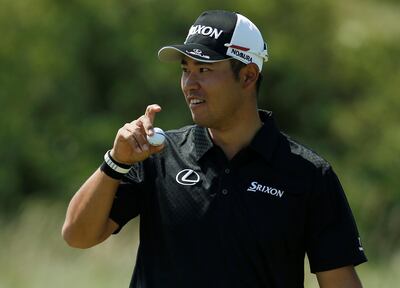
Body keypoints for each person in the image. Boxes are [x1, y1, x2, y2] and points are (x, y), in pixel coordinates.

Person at [62, 10, 367, 288]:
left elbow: (339, 281)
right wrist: (115, 163)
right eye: (186, 69)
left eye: (204, 70)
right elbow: (77, 235)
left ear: (248, 75)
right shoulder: (159, 155)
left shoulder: (307, 174)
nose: (189, 84)